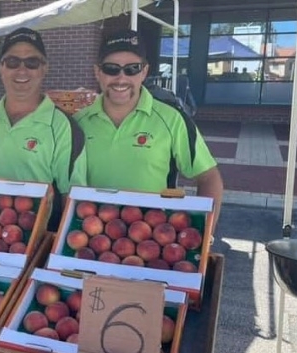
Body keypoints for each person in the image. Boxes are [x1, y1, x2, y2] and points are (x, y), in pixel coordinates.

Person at [75, 29, 224, 233]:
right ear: (97, 72)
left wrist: (206, 236)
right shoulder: (77, 123)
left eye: (132, 69)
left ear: (144, 71)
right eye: (111, 69)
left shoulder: (172, 119)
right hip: (91, 239)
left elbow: (208, 177)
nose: (121, 78)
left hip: (154, 240)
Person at [0, 27, 87, 230]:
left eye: (32, 62)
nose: (22, 70)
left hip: (33, 241)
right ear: (0, 67)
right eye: (12, 62)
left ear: (45, 68)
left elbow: (72, 197)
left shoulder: (63, 127)